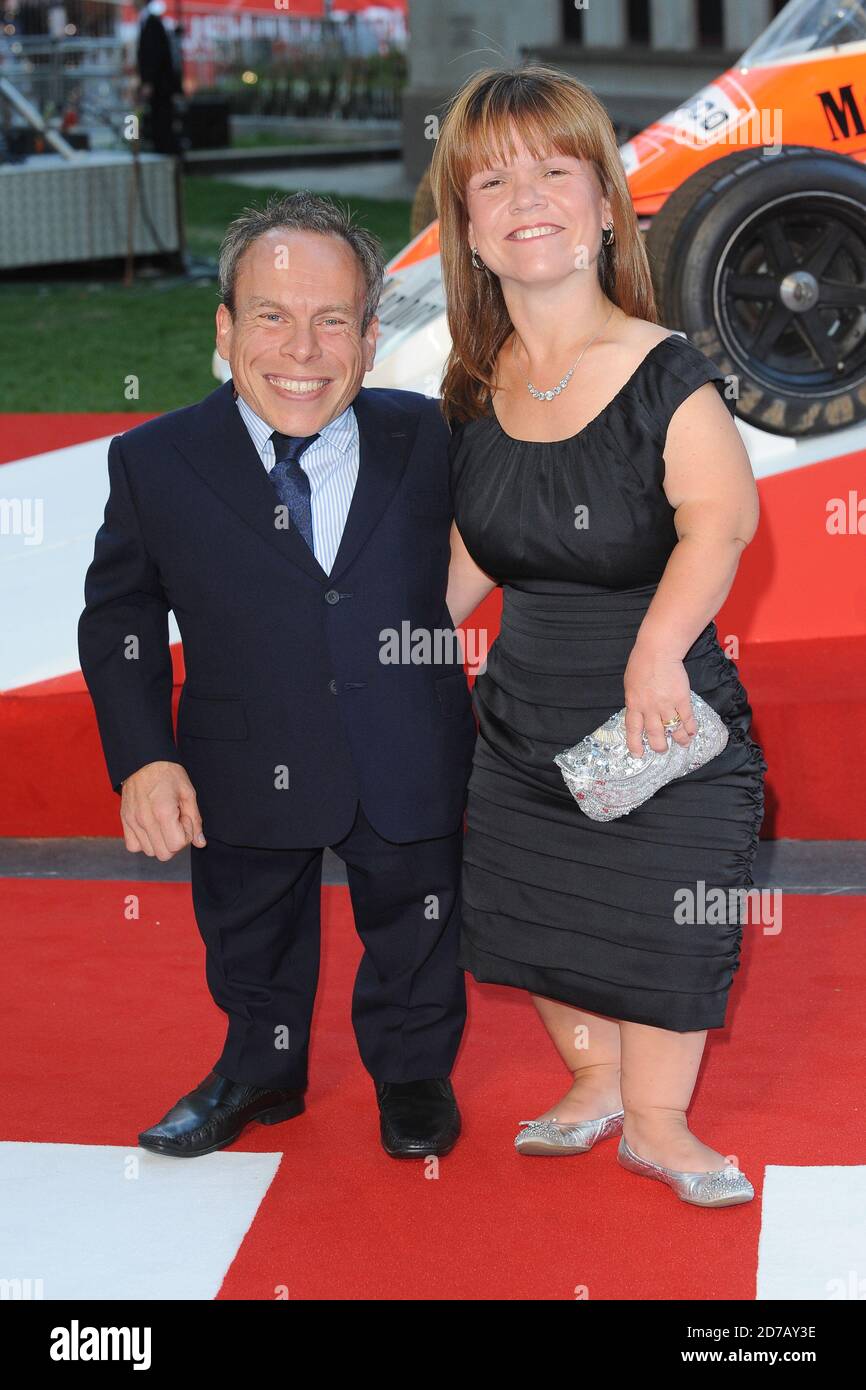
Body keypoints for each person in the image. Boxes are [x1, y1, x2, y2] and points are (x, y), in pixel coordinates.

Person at [78, 191, 476, 1160]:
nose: (302, 349)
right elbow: (121, 615)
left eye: (331, 319)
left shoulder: (431, 438)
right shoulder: (155, 459)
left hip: (407, 740)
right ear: (224, 328)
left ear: (372, 337)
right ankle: (261, 1067)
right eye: (272, 316)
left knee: (417, 924)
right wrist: (142, 758)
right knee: (248, 931)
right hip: (243, 751)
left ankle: (413, 1070)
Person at [433, 65, 767, 1208]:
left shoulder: (664, 368)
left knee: (664, 907)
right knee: (535, 903)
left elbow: (718, 522)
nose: (524, 196)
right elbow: (474, 554)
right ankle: (592, 1081)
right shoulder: (476, 388)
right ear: (467, 227)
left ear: (603, 203)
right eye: (492, 179)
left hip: (659, 711)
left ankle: (660, 1120)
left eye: (553, 169)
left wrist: (655, 649)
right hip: (524, 721)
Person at [134, 0, 182, 156]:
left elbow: (154, 55)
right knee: (158, 120)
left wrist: (148, 81)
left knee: (162, 122)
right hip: (158, 83)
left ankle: (169, 155)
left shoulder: (152, 23)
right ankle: (164, 152)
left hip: (160, 85)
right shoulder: (148, 21)